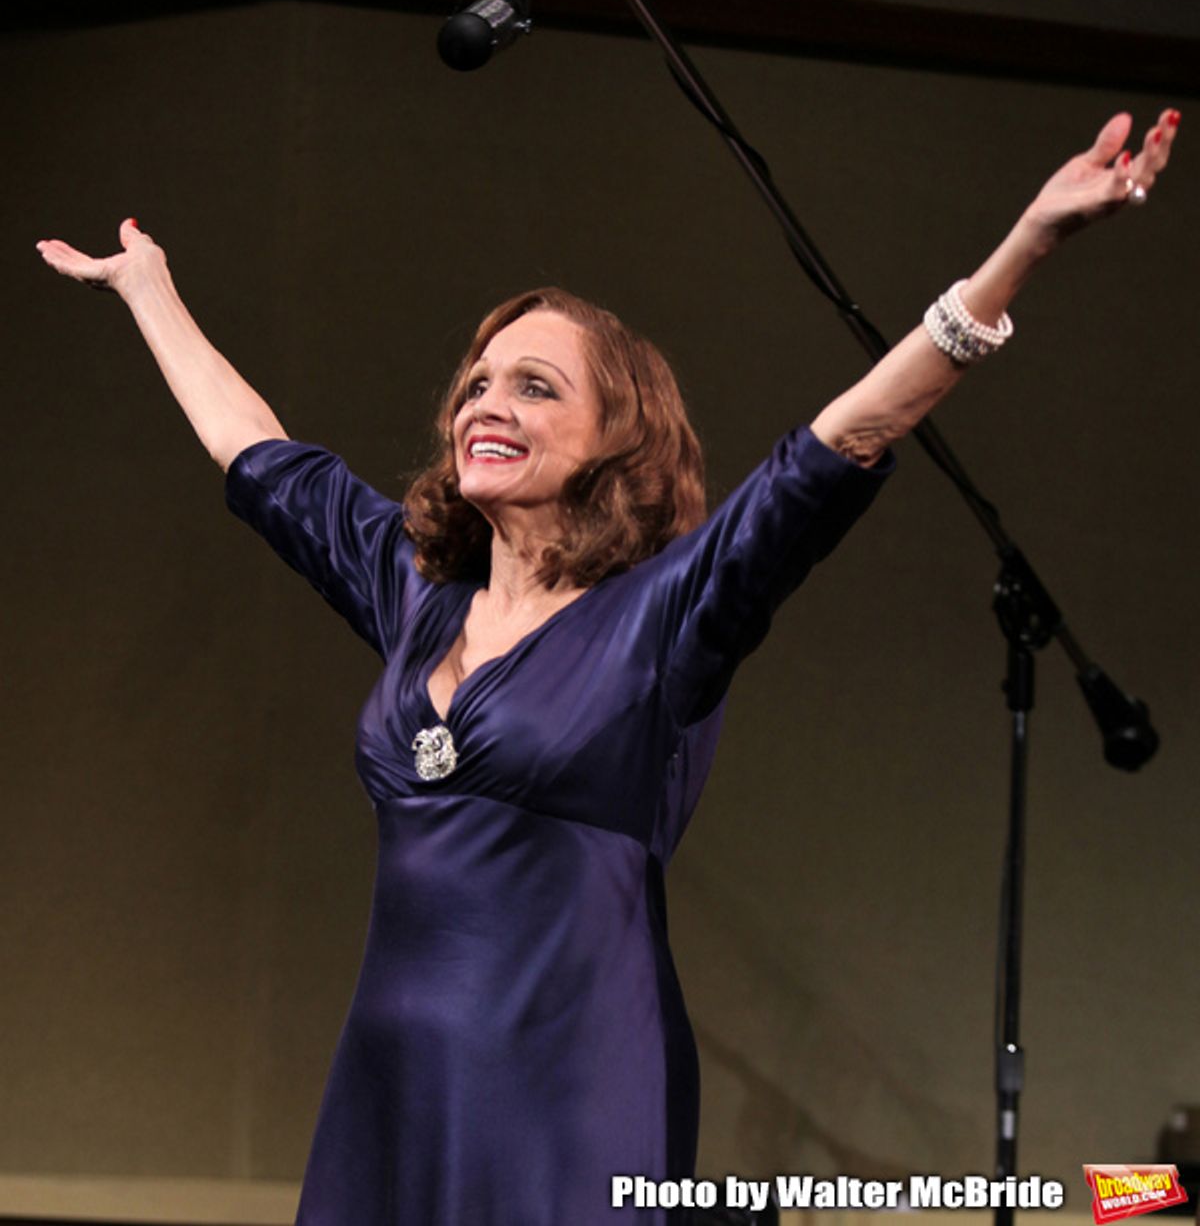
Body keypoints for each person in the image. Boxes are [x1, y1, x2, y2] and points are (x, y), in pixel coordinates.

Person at [36, 108, 1179, 1224]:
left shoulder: (663, 619)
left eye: (537, 385)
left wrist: (1023, 246)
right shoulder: (416, 595)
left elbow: (843, 441)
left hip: (568, 1087)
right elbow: (260, 455)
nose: (488, 400)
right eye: (479, 381)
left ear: (617, 439)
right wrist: (151, 292)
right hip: (392, 1081)